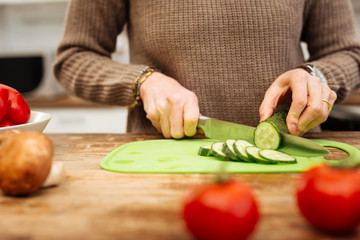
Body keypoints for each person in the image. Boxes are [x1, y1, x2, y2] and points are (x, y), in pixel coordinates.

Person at [53, 0, 360, 139]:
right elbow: (74, 57)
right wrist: (142, 81)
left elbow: (348, 53)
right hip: (162, 167)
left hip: (292, 159)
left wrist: (316, 78)